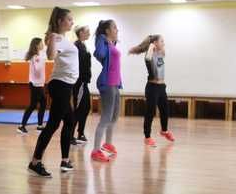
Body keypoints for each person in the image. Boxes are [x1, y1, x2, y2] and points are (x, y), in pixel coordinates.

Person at [27, 7, 78, 177]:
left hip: (66, 85)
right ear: (60, 21)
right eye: (69, 19)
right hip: (60, 85)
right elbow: (50, 56)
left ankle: (65, 160)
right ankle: (35, 162)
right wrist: (53, 39)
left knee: (70, 121)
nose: (72, 22)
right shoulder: (56, 38)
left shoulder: (62, 38)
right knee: (53, 124)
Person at [129, 34, 175, 147]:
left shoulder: (160, 53)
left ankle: (164, 131)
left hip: (162, 87)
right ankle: (147, 137)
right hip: (152, 87)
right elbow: (148, 58)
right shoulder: (149, 55)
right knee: (150, 112)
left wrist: (157, 45)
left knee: (165, 110)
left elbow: (163, 51)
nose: (163, 43)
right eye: (161, 41)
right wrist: (150, 46)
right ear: (154, 43)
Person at [91, 19, 122, 162]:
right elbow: (100, 54)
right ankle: (95, 151)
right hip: (107, 83)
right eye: (114, 28)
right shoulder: (102, 42)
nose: (117, 30)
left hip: (115, 84)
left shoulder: (112, 43)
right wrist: (102, 38)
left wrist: (111, 42)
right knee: (105, 118)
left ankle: (108, 144)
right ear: (107, 31)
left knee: (114, 117)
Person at [18, 37, 46, 134]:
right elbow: (38, 70)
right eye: (41, 43)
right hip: (35, 84)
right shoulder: (36, 57)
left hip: (39, 84)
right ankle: (21, 126)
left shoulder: (39, 55)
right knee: (33, 105)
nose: (43, 45)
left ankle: (40, 125)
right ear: (37, 45)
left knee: (43, 103)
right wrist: (42, 59)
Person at [72, 26, 92, 144]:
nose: (89, 33)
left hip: (84, 82)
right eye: (87, 31)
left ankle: (80, 133)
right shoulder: (77, 46)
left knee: (86, 107)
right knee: (78, 109)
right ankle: (70, 135)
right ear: (80, 33)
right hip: (79, 83)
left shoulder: (83, 45)